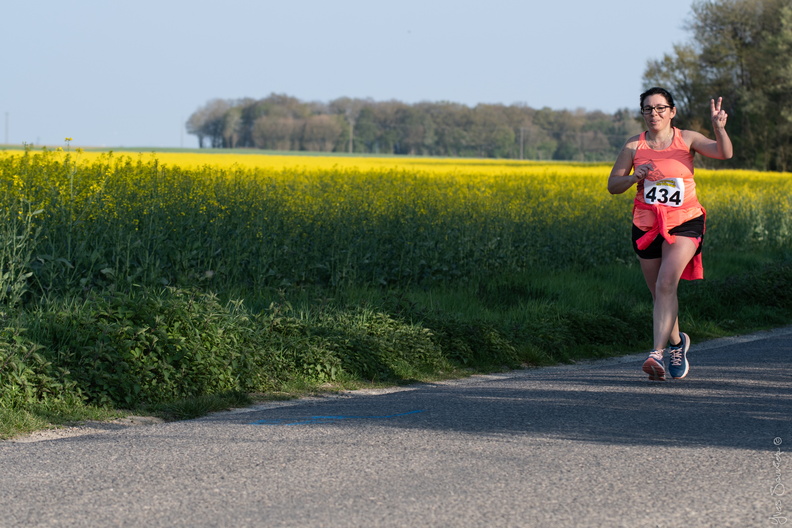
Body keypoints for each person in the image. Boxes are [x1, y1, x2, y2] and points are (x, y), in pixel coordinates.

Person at [608, 87, 733, 381]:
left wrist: (719, 129)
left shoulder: (686, 138)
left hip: (685, 221)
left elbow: (724, 153)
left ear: (672, 111)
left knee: (666, 283)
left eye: (661, 108)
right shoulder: (633, 146)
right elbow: (613, 185)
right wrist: (632, 178)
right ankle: (678, 343)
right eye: (649, 109)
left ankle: (656, 353)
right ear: (643, 114)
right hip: (646, 225)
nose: (655, 114)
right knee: (659, 294)